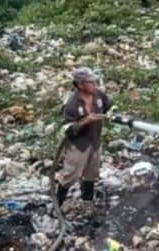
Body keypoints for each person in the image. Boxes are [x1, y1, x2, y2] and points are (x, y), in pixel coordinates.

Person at [55, 66, 112, 211]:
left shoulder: (99, 95)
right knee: (70, 176)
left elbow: (109, 106)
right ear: (80, 84)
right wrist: (85, 121)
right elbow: (67, 129)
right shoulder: (72, 104)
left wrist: (112, 113)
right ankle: (57, 205)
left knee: (91, 174)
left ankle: (87, 201)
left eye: (94, 81)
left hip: (95, 142)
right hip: (78, 145)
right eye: (90, 82)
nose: (94, 84)